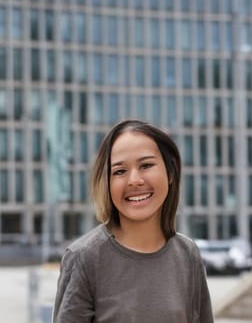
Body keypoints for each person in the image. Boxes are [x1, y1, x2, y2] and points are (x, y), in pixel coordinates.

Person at [53, 119, 213, 323]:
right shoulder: (84, 258)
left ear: (170, 172)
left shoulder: (188, 255)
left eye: (146, 165)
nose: (134, 180)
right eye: (119, 171)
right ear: (107, 183)